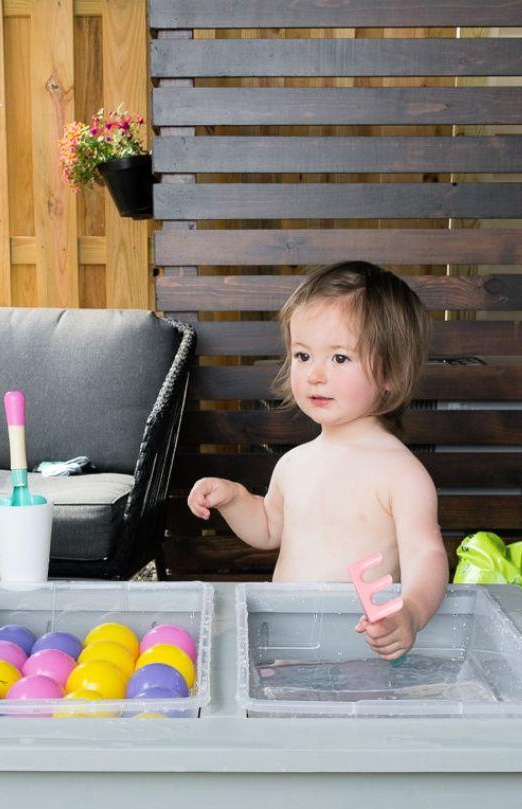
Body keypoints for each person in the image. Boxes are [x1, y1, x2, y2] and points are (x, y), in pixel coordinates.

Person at [187, 261, 449, 662]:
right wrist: (235, 499)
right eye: (303, 355)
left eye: (340, 359)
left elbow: (426, 556)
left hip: (360, 654)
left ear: (392, 372)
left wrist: (411, 612)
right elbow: (269, 530)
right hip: (290, 647)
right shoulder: (294, 463)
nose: (315, 375)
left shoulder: (400, 473)